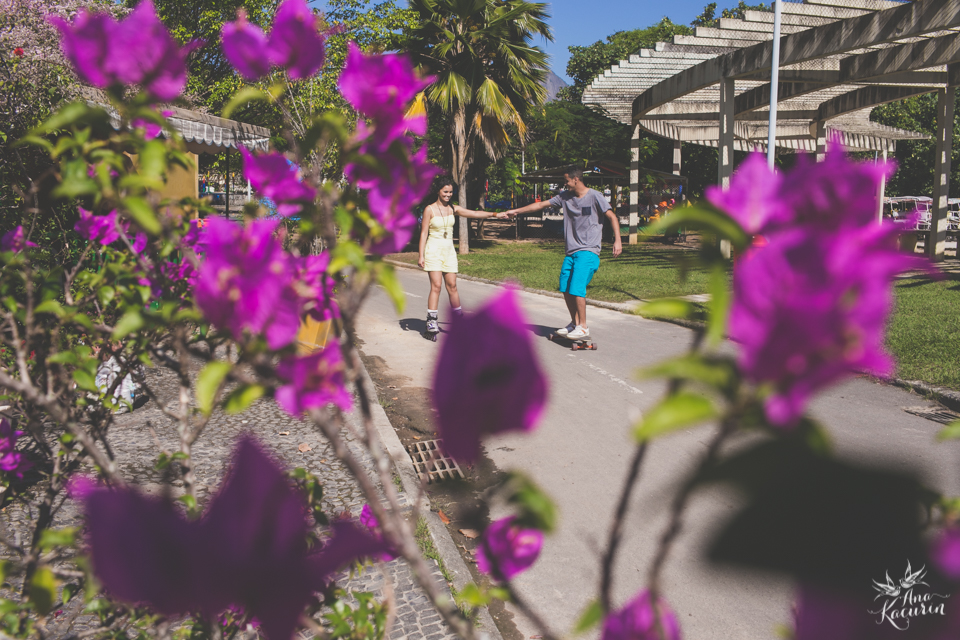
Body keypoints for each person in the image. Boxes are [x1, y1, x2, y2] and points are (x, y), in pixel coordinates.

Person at [506, 166, 622, 340]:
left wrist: (618, 240)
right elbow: (540, 204)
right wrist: (516, 211)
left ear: (576, 179)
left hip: (588, 251)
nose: (565, 184)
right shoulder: (564, 197)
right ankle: (574, 323)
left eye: (566, 181)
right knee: (565, 287)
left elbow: (612, 216)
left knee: (576, 287)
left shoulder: (595, 196)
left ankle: (583, 327)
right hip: (571, 252)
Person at [418, 178, 505, 334]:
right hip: (433, 250)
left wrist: (496, 214)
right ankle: (431, 321)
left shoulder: (454, 208)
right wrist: (421, 255)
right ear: (438, 191)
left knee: (452, 286)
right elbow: (424, 233)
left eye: (451, 192)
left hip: (449, 251)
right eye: (445, 191)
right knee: (436, 286)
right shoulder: (429, 209)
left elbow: (474, 213)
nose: (448, 195)